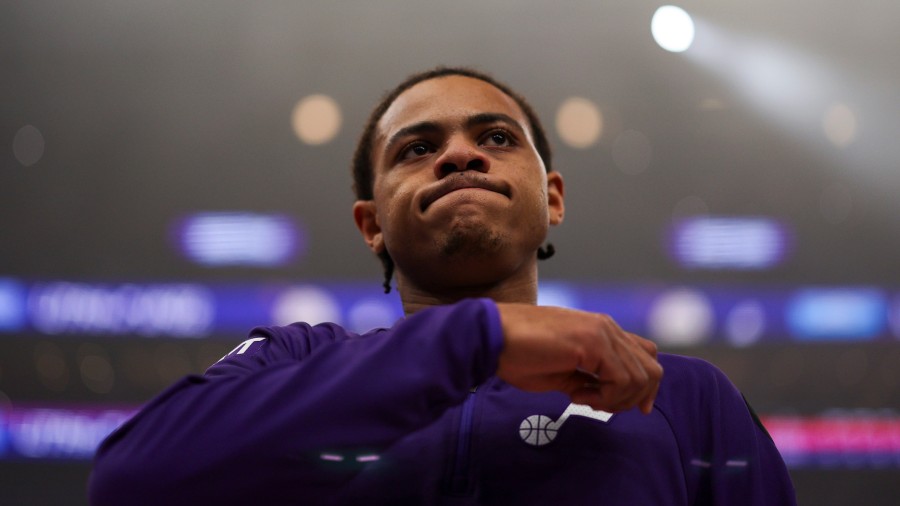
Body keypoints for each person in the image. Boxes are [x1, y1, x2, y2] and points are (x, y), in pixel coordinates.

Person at [88, 67, 796, 505]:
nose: (460, 155)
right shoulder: (293, 359)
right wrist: (476, 339)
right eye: (418, 149)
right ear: (372, 224)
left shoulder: (680, 394)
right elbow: (129, 481)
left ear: (552, 198)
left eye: (497, 138)